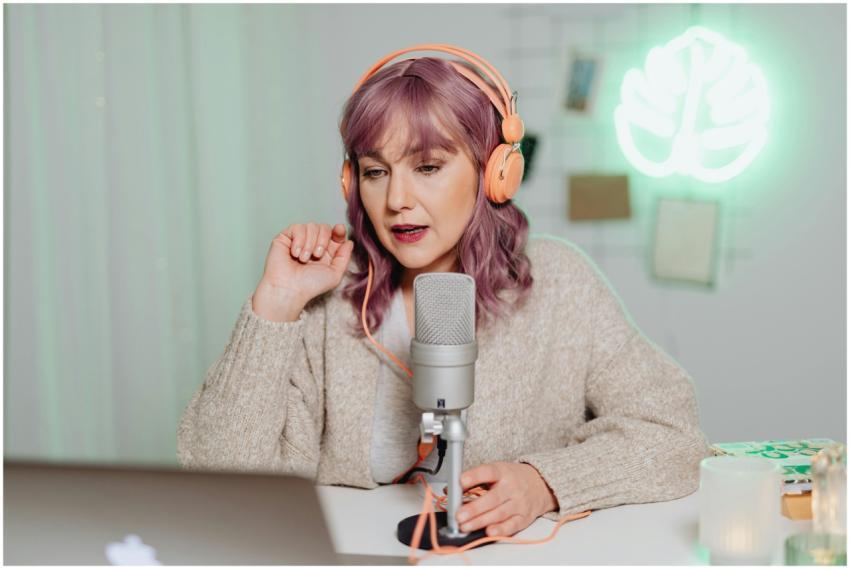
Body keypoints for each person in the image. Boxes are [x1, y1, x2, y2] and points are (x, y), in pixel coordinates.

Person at [177, 44, 711, 539]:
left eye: (427, 167)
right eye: (375, 171)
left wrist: (542, 482)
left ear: (492, 173)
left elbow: (672, 436)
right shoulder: (327, 298)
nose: (396, 200)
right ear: (351, 182)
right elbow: (222, 481)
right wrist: (274, 304)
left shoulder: (560, 283)